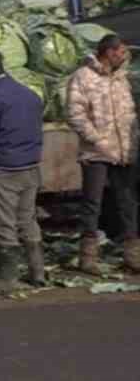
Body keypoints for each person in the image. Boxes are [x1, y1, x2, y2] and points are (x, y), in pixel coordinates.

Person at [66, 34, 139, 275]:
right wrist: (99, 141)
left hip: (124, 153)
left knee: (127, 203)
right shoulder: (82, 77)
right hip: (95, 153)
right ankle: (88, 257)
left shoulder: (121, 78)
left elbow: (130, 114)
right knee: (92, 203)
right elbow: (76, 115)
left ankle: (133, 256)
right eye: (121, 52)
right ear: (108, 52)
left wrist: (131, 144)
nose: (124, 56)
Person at [0, 53, 46, 291]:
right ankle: (38, 272)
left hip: (4, 169)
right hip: (31, 166)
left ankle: (7, 278)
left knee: (4, 222)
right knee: (28, 219)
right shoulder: (31, 95)